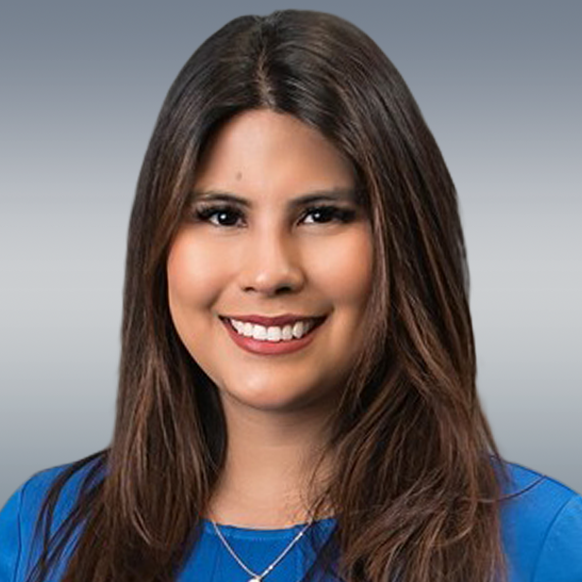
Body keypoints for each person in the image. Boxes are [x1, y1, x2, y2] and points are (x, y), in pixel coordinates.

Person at [0, 8, 580, 582]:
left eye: (322, 214)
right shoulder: (43, 533)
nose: (269, 271)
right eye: (222, 215)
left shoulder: (543, 543)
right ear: (160, 242)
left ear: (402, 240)